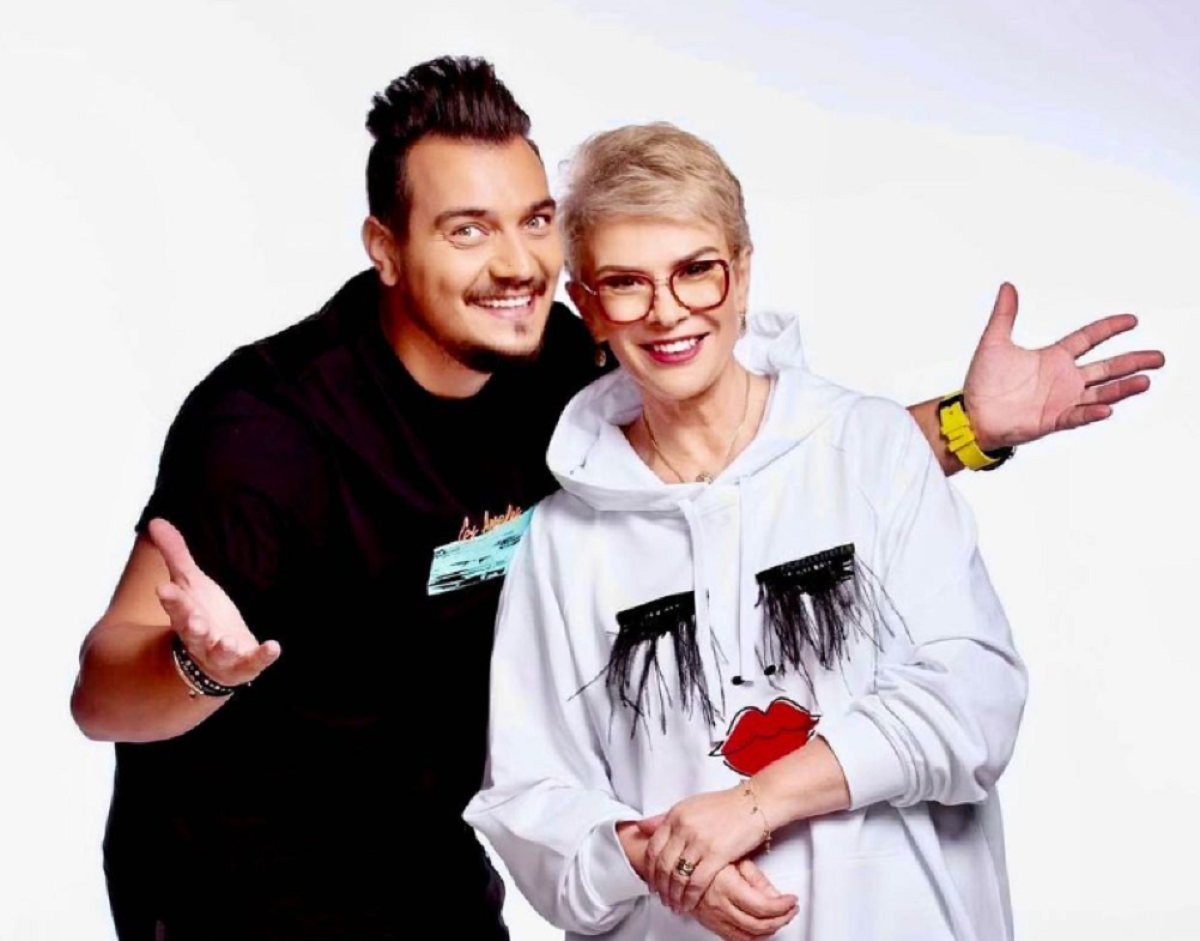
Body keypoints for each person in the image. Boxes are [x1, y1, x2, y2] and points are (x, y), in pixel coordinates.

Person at [69, 57, 1162, 941]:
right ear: (385, 250)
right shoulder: (267, 429)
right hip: (242, 881)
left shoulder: (554, 361)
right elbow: (101, 690)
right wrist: (206, 667)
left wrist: (968, 428)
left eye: (535, 219)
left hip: (431, 864)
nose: (516, 263)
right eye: (467, 228)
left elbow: (764, 464)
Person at [462, 123, 1073, 941]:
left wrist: (754, 803)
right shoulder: (564, 541)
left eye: (696, 270)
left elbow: (974, 698)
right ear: (589, 307)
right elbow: (532, 799)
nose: (667, 311)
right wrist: (663, 860)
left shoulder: (867, 448)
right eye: (627, 283)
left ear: (743, 271)